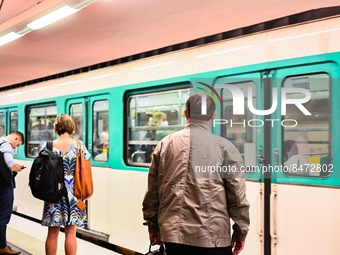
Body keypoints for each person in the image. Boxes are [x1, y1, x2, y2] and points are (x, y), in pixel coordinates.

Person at [142, 92, 250, 255]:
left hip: (174, 238)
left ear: (185, 113)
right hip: (214, 239)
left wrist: (153, 226)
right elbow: (237, 196)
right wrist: (240, 232)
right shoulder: (225, 148)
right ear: (214, 115)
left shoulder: (165, 144)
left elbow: (153, 192)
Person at [41, 114, 91, 255]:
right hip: (74, 193)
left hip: (53, 193)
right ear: (71, 127)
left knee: (52, 232)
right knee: (70, 232)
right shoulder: (79, 145)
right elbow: (88, 159)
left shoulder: (48, 145)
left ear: (56, 127)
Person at [0, 131, 24, 255]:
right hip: (4, 185)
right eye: (17, 144)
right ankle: (2, 247)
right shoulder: (6, 145)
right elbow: (9, 163)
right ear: (15, 138)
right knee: (4, 215)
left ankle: (2, 243)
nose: (16, 147)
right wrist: (17, 168)